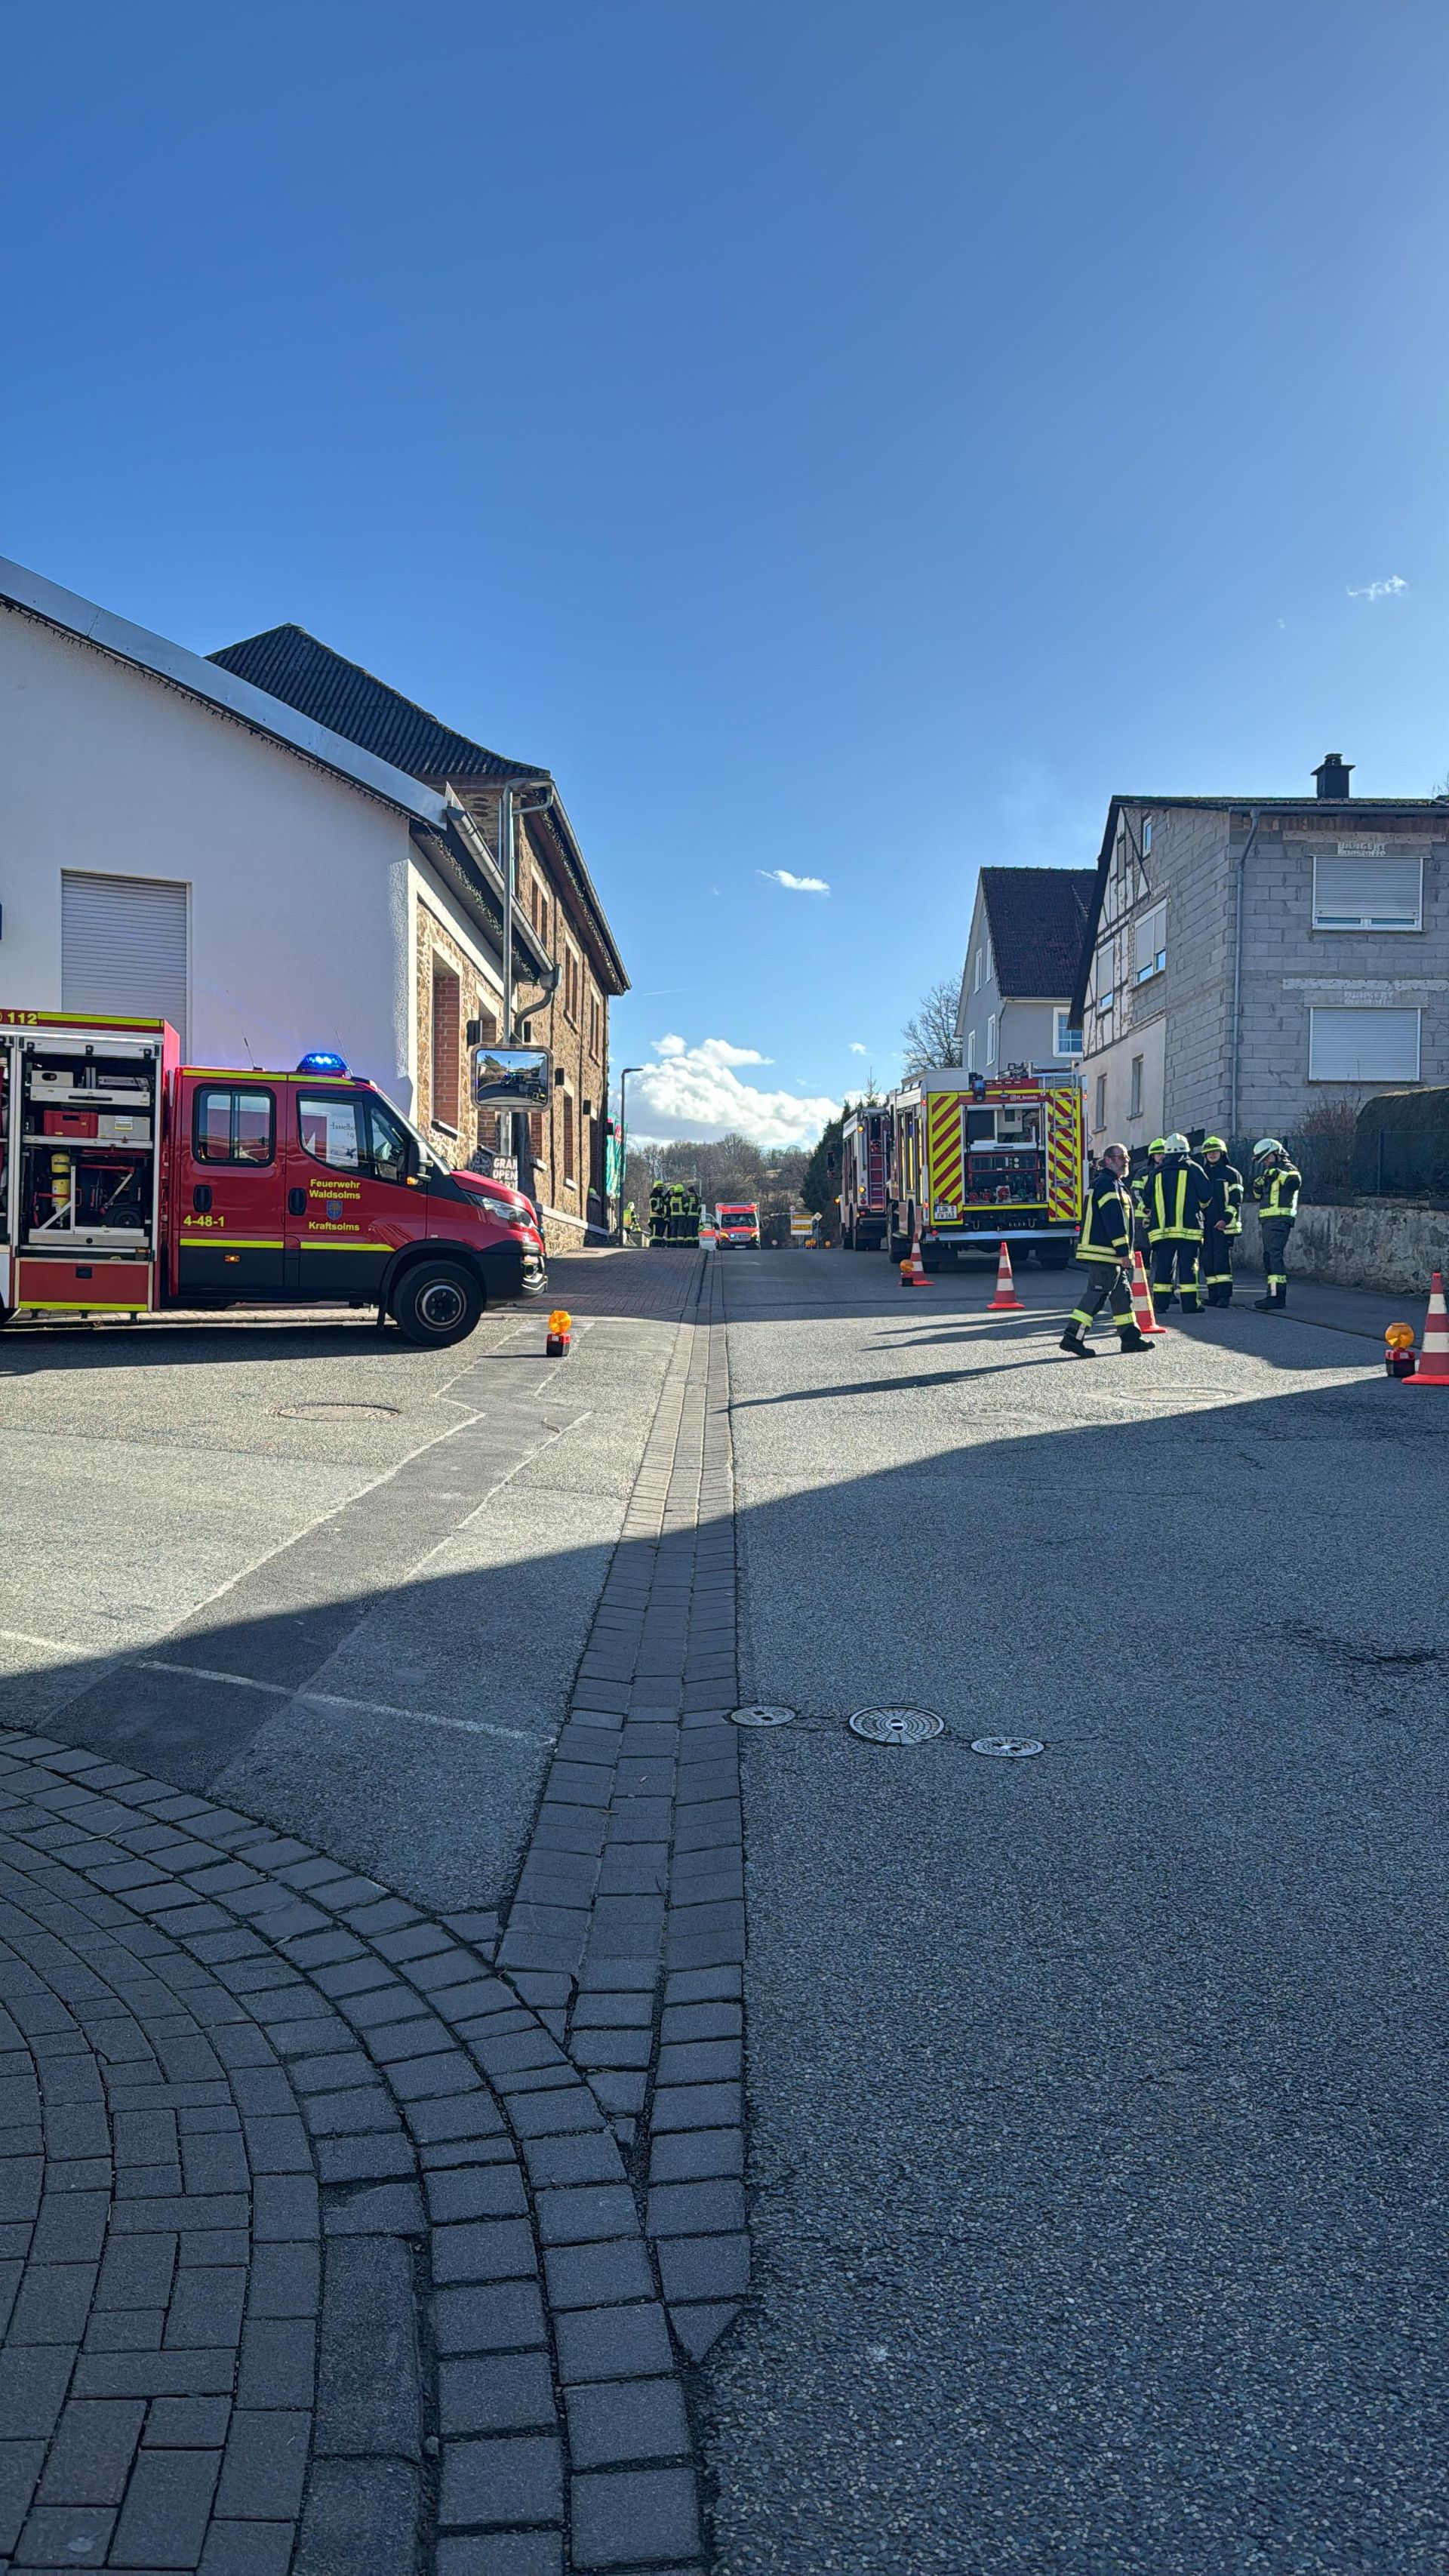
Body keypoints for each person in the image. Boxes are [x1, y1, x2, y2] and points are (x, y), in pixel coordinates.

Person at [1060, 1143, 1155, 1357]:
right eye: (1121, 1158)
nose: (1126, 1161)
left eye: (1127, 1157)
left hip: (1109, 1252)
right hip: (1105, 1252)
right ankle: (1072, 1337)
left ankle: (1131, 1338)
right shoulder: (1107, 1184)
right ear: (1108, 1160)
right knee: (1097, 1295)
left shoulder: (1114, 1183)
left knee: (1122, 1295)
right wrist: (1123, 1251)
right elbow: (1114, 1220)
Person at [1146, 1132, 1209, 1314]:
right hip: (1189, 1230)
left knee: (1163, 1266)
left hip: (1162, 1231)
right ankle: (1190, 1304)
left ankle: (1160, 1304)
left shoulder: (1156, 1172)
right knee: (1189, 1266)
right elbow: (1206, 1195)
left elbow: (1147, 1198)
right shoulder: (1193, 1168)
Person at [1251, 1138, 1301, 1310]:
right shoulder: (1269, 1173)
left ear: (1277, 1153)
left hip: (1280, 1220)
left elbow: (1294, 1183)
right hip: (1268, 1221)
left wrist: (1278, 1174)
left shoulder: (1289, 1169)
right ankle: (1271, 1294)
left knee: (1274, 1256)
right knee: (1269, 1257)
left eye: (1267, 1158)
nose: (1266, 1162)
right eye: (1263, 1160)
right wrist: (1257, 1187)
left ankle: (1276, 1297)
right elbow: (1259, 1197)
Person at [1199, 1137, 1244, 1306]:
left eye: (1215, 1151)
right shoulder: (1202, 1173)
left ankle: (1224, 1297)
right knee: (1207, 1260)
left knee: (1221, 1260)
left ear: (1222, 1153)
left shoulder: (1231, 1174)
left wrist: (1225, 1219)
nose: (1212, 1154)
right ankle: (1213, 1296)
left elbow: (1236, 1200)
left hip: (1224, 1225)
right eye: (1209, 1152)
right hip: (1206, 1224)